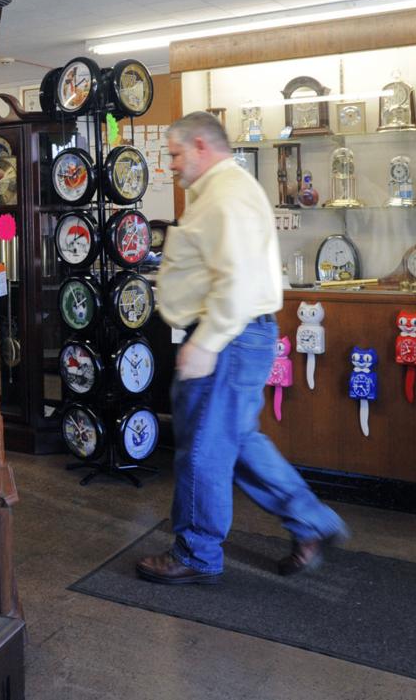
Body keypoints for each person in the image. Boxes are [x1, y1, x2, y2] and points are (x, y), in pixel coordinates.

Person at [136, 111, 348, 585]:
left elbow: (238, 281)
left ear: (200, 146)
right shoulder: (222, 192)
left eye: (174, 154)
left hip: (226, 336)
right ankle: (311, 520)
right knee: (238, 442)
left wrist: (206, 343)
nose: (171, 165)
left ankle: (196, 553)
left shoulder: (226, 197)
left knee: (203, 452)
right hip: (237, 333)